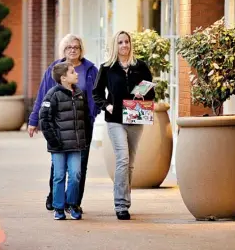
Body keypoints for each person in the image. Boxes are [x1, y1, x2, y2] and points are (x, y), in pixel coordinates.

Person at [27, 34, 100, 213]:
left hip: (83, 126)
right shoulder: (55, 69)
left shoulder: (90, 70)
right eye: (69, 47)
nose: (73, 50)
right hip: (59, 125)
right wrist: (34, 120)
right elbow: (43, 95)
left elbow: (97, 94)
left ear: (81, 49)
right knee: (58, 165)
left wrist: (93, 113)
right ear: (64, 50)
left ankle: (73, 203)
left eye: (76, 47)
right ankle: (55, 198)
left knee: (79, 165)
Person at [92, 30, 155, 220]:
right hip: (115, 120)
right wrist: (107, 105)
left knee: (130, 164)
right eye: (120, 42)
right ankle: (120, 205)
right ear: (115, 45)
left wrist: (143, 95)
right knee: (123, 159)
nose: (124, 45)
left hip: (136, 118)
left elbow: (151, 91)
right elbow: (96, 93)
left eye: (127, 41)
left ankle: (125, 201)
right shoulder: (107, 68)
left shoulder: (140, 66)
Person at [39, 62, 90, 220]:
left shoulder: (80, 94)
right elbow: (44, 119)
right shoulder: (52, 95)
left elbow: (85, 118)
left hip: (76, 144)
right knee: (59, 176)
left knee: (75, 175)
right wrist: (54, 140)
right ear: (63, 78)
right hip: (58, 145)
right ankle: (59, 207)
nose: (76, 74)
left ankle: (72, 204)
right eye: (72, 72)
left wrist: (84, 138)